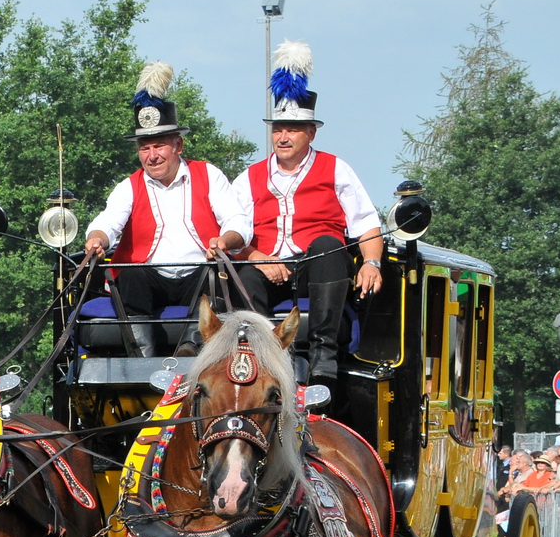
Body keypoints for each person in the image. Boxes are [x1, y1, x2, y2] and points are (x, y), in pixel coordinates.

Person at [234, 41, 384, 404]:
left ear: (311, 133)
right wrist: (259, 257)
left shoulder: (336, 169)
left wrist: (372, 262)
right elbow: (234, 234)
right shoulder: (248, 177)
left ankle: (323, 361)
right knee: (246, 273)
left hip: (318, 269)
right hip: (269, 268)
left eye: (293, 129)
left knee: (329, 245)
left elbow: (366, 223)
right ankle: (261, 362)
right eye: (278, 129)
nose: (283, 136)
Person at [82, 61, 250, 357]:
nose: (151, 156)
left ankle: (190, 347)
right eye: (144, 148)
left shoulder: (208, 175)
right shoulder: (129, 186)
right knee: (130, 274)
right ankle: (141, 357)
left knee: (213, 273)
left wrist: (225, 241)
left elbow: (238, 221)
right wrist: (97, 239)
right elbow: (107, 222)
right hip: (149, 281)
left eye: (159, 146)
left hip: (198, 276)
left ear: (178, 146)